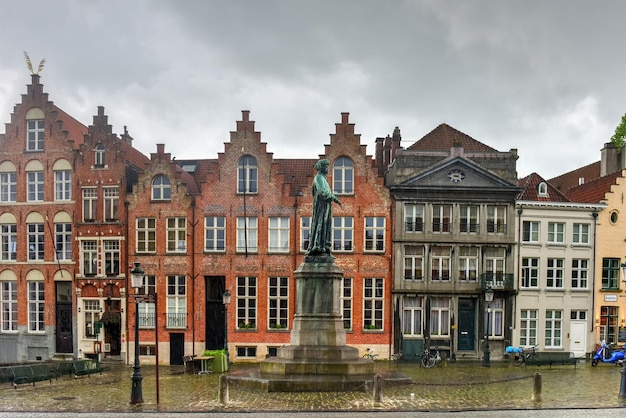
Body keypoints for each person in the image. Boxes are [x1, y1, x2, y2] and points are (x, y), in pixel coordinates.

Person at [307, 159, 341, 257]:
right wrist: (333, 197)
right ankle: (317, 246)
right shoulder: (318, 178)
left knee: (326, 226)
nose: (327, 169)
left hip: (326, 207)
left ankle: (324, 247)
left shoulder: (323, 178)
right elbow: (322, 192)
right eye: (325, 166)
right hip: (321, 208)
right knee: (320, 224)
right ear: (321, 167)